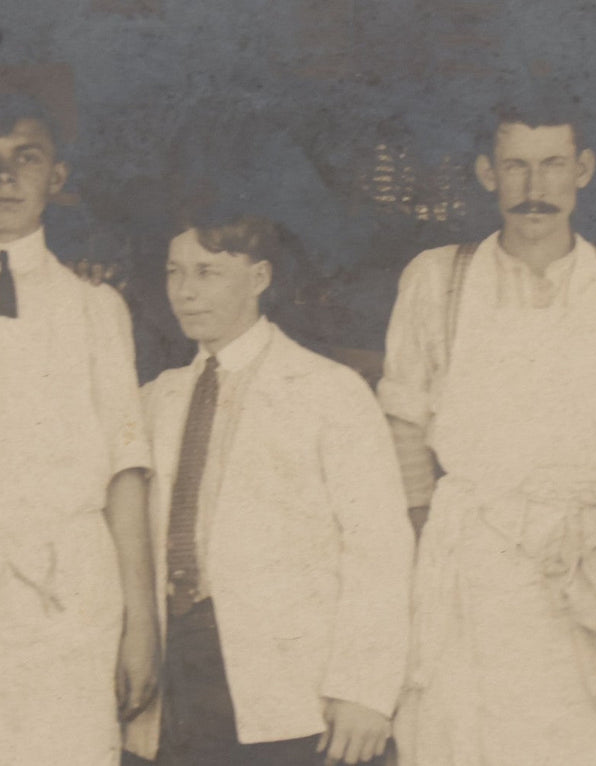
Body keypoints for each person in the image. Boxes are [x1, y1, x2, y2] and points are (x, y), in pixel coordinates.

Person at [380, 99, 596, 765]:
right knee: (458, 738)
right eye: (515, 166)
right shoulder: (439, 278)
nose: (533, 188)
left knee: (572, 738)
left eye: (551, 166)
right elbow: (404, 422)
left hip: (578, 561)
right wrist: (434, 527)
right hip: (467, 558)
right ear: (487, 173)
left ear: (583, 169)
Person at [121, 211, 413, 766]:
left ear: (258, 278)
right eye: (174, 273)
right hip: (181, 665)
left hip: (290, 677)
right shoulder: (158, 398)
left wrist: (364, 690)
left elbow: (379, 548)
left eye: (207, 273)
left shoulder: (329, 392)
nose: (185, 292)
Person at [0, 93, 158, 765]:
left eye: (25, 159)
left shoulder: (95, 303)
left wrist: (142, 628)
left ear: (56, 178)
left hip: (69, 596)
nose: (4, 177)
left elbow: (125, 470)